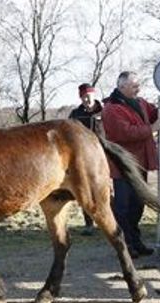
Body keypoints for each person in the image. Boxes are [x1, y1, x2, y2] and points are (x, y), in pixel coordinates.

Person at [102, 71, 160, 258]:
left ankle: (135, 241)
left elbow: (155, 113)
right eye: (134, 86)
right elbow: (125, 133)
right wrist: (152, 129)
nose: (138, 88)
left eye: (138, 85)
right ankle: (125, 245)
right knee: (123, 207)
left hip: (140, 163)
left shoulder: (140, 103)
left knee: (138, 205)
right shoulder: (112, 109)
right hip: (123, 165)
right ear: (121, 87)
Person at [69, 83, 103, 236]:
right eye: (83, 97)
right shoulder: (76, 114)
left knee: (106, 191)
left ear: (94, 95)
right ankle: (89, 224)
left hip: (103, 155)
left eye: (88, 96)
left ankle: (107, 220)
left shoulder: (105, 111)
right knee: (85, 190)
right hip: (83, 159)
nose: (86, 100)